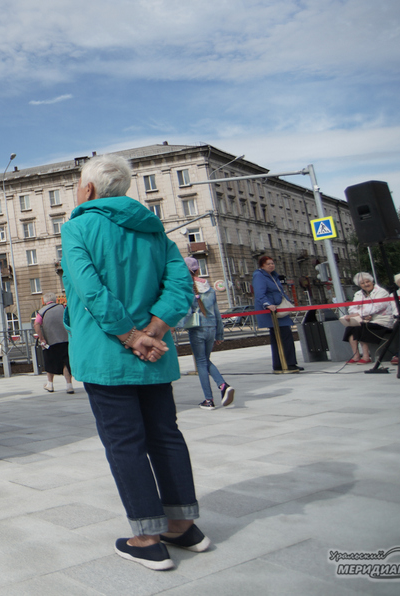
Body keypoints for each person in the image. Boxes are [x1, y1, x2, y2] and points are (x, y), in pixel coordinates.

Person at [61, 154, 205, 572]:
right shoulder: (154, 228)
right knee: (165, 435)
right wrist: (154, 330)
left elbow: (90, 289)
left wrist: (129, 336)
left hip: (106, 355)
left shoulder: (78, 227)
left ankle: (147, 539)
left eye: (78, 184)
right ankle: (182, 526)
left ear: (88, 189)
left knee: (125, 443)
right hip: (155, 354)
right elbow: (180, 285)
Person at [181, 258, 233, 409]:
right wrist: (220, 334)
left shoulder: (187, 287)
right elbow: (217, 314)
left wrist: (175, 326)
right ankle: (222, 386)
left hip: (197, 329)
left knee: (201, 362)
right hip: (211, 328)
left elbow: (187, 312)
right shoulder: (209, 288)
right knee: (205, 360)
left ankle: (209, 399)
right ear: (198, 270)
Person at [252, 255, 302, 372]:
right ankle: (288, 364)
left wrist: (288, 302)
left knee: (280, 337)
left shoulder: (273, 275)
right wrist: (267, 304)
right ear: (262, 265)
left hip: (279, 309)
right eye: (268, 264)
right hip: (272, 311)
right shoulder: (259, 275)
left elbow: (280, 291)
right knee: (284, 336)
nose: (271, 265)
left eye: (272, 263)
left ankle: (280, 364)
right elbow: (259, 293)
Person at [341, 272, 396, 364]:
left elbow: (376, 307)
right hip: (365, 320)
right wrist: (361, 315)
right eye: (363, 283)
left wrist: (359, 314)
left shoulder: (381, 292)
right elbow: (352, 308)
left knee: (361, 327)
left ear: (372, 281)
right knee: (350, 328)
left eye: (368, 281)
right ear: (359, 285)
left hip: (382, 321)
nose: (366, 284)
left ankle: (366, 356)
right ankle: (356, 356)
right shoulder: (358, 294)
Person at [34, 293, 74, 393]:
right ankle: (69, 385)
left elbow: (36, 324)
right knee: (66, 363)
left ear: (45, 301)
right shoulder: (63, 308)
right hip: (65, 340)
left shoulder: (42, 311)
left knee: (50, 362)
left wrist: (42, 338)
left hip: (50, 342)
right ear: (55, 300)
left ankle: (50, 385)